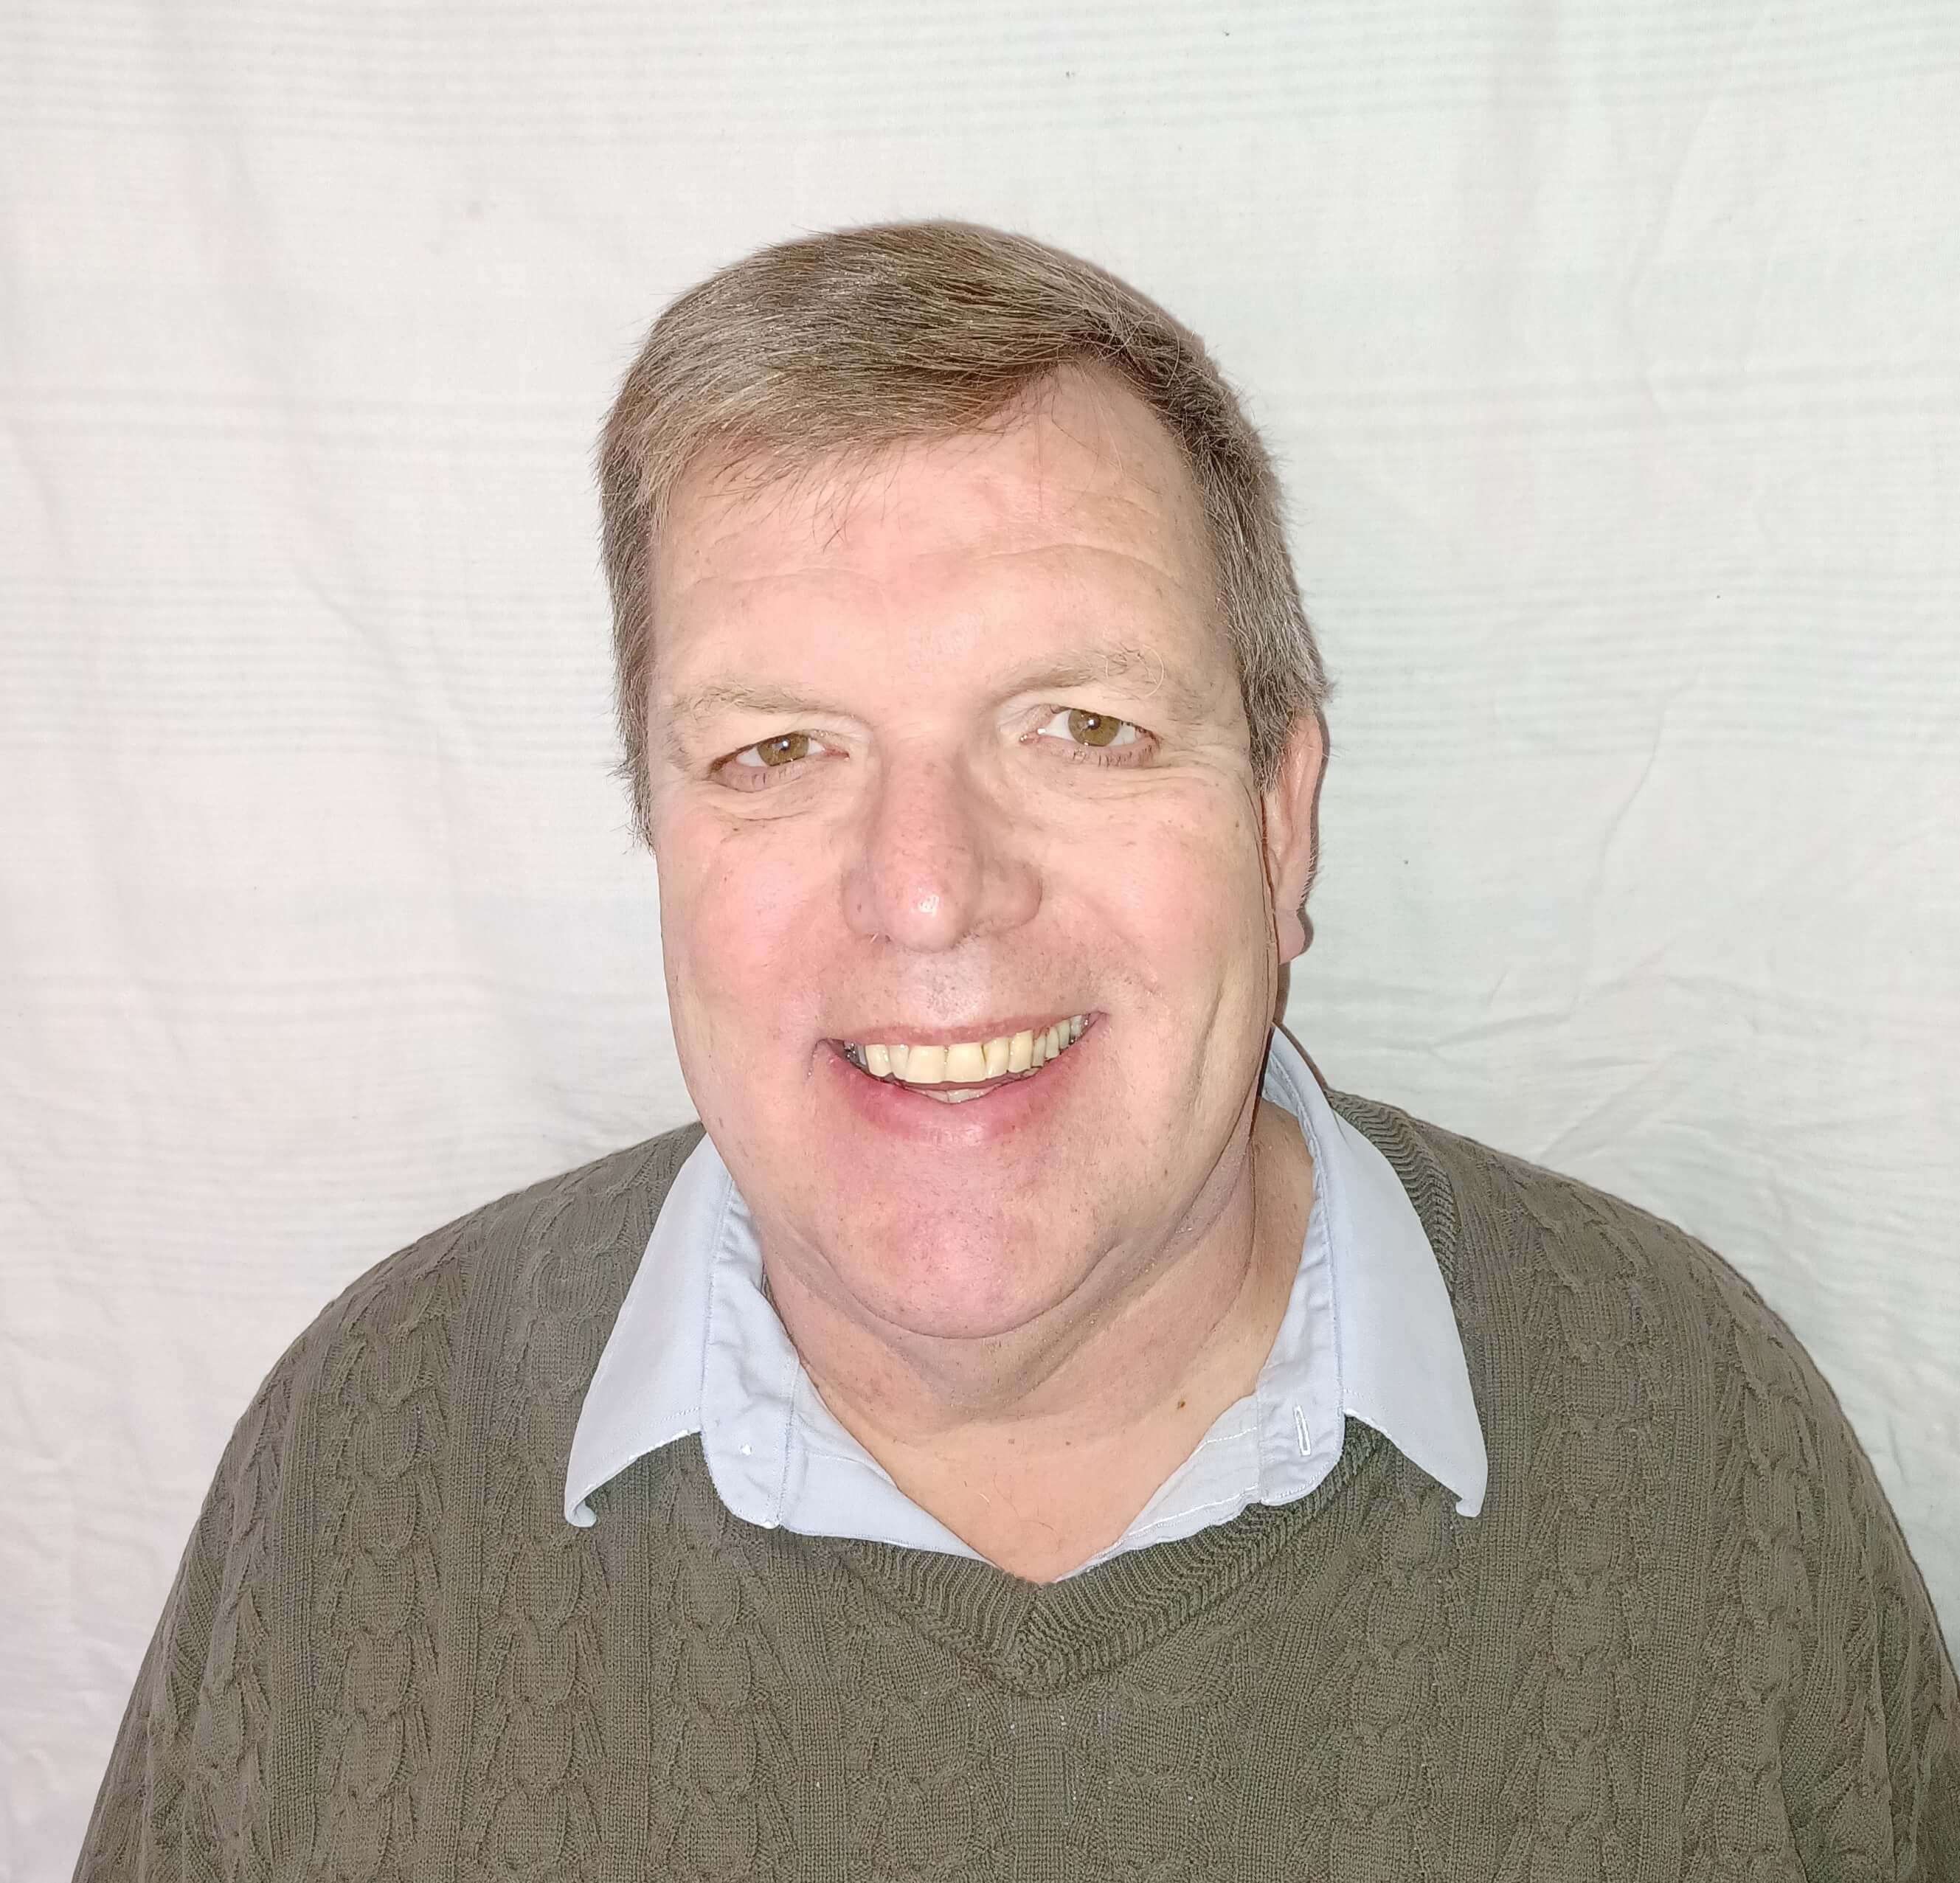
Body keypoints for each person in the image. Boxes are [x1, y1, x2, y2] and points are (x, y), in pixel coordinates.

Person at [76, 221, 1956, 1880]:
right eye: (778, 751)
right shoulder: (362, 1465)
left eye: (1081, 725)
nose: (927, 895)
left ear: (1283, 820)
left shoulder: (1693, 1436)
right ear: (658, 829)